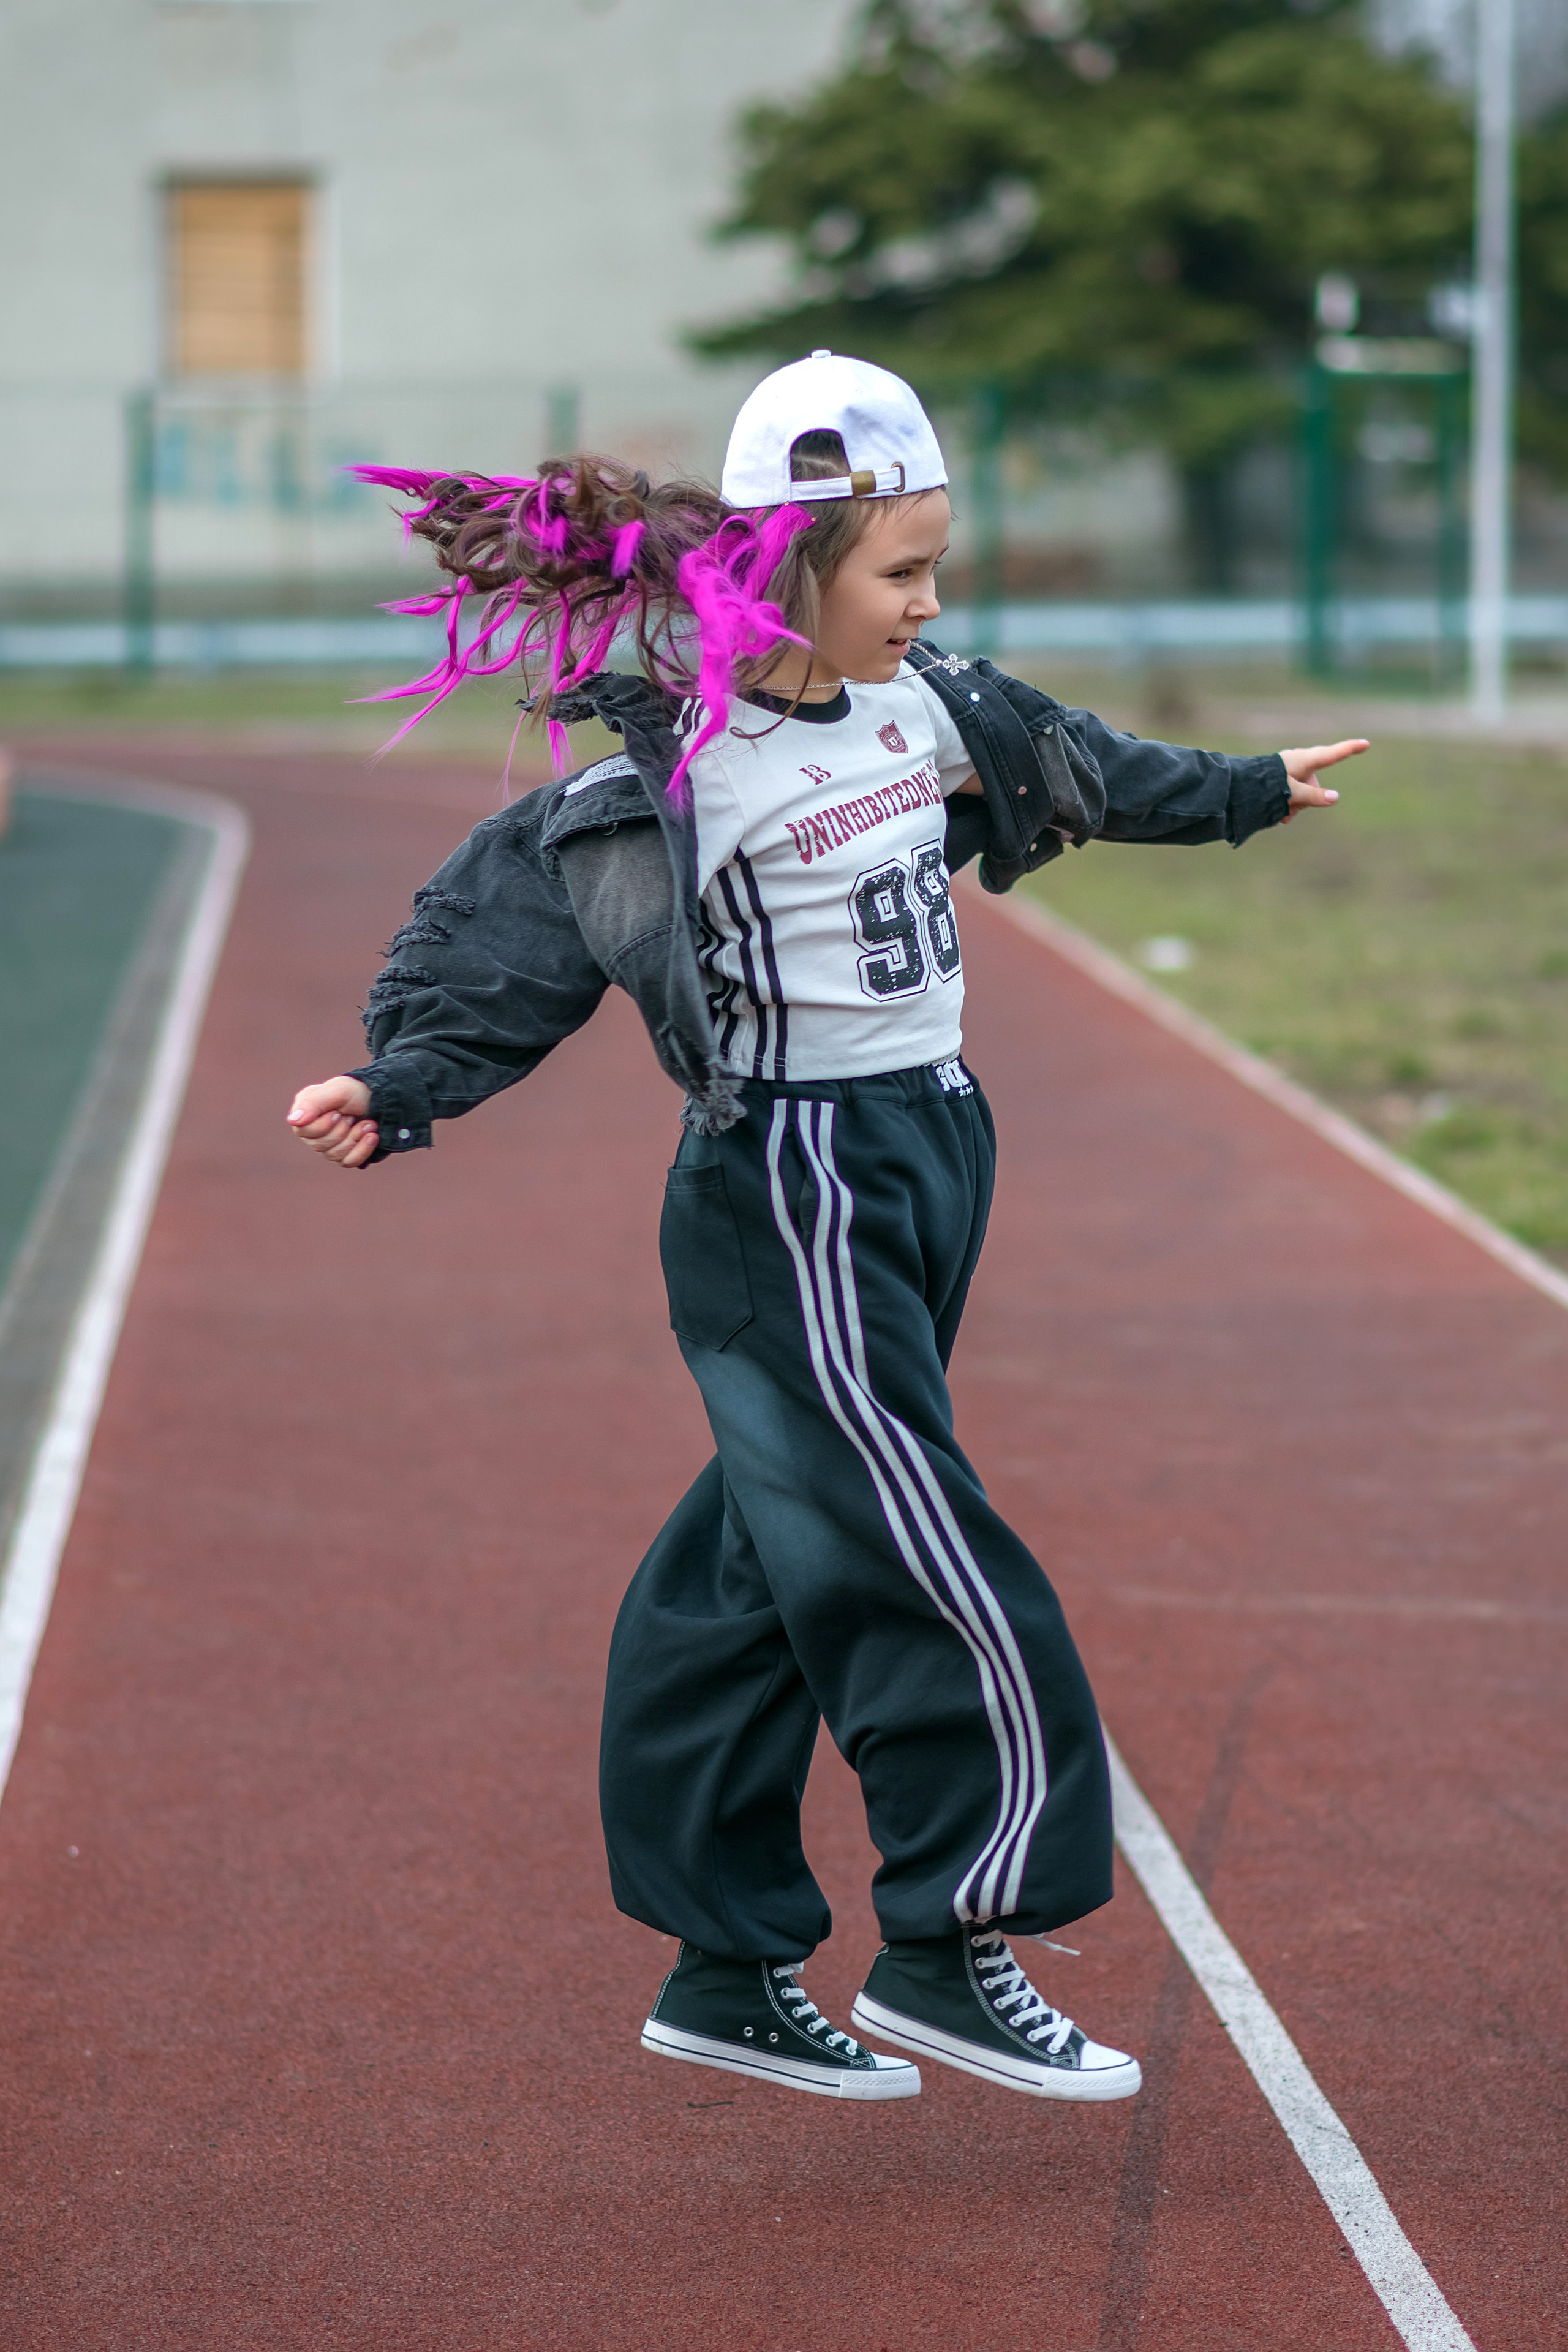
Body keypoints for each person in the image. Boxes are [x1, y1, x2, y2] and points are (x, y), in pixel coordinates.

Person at [288, 353, 1363, 2108]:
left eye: (939, 565)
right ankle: (954, 1934)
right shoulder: (678, 765)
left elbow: (1079, 766)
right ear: (786, 564)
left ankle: (724, 1967)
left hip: (933, 1153)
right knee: (923, 1547)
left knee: (754, 1571)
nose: (933, 603)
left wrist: (1238, 789)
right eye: (903, 571)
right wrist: (404, 1080)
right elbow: (516, 930)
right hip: (789, 1184)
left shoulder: (922, 699)